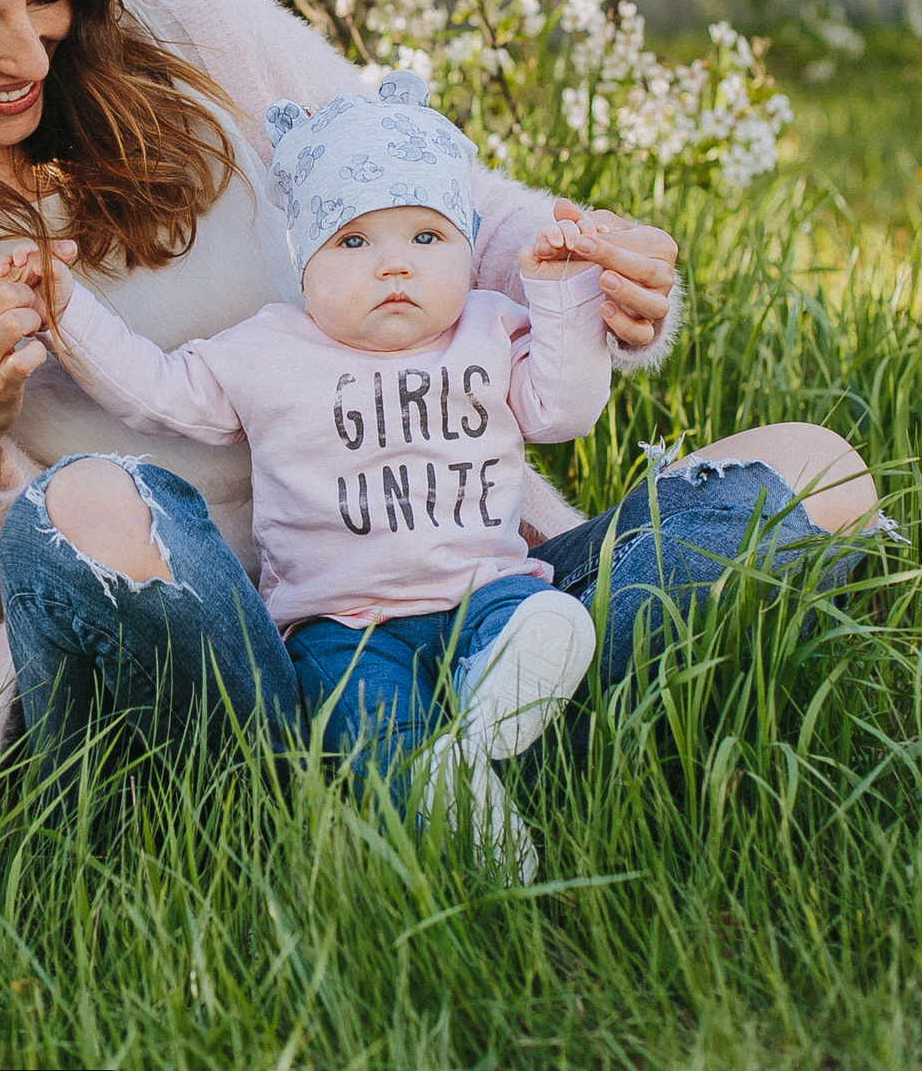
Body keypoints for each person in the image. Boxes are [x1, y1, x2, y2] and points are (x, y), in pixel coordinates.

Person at [0, 0, 886, 830]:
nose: (26, 56)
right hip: (193, 645)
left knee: (814, 472)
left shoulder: (206, 41)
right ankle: (349, 757)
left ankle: (417, 745)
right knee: (96, 503)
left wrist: (582, 266)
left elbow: (445, 211)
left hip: (439, 583)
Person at [33, 74, 616, 877]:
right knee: (370, 730)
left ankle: (505, 691)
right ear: (304, 263)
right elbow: (158, 391)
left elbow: (565, 407)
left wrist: (561, 291)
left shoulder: (489, 327)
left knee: (538, 617)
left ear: (466, 248)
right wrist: (63, 308)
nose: (394, 267)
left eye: (426, 237)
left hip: (486, 591)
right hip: (343, 627)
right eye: (353, 241)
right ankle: (454, 800)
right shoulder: (269, 351)